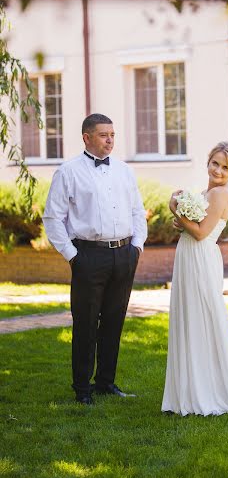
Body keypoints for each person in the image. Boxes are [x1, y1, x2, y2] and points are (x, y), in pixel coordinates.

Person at [43, 113, 147, 405]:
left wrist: (137, 246)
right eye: (103, 135)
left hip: (124, 255)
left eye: (112, 134)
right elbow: (53, 218)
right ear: (87, 138)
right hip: (88, 256)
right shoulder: (68, 172)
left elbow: (138, 212)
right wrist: (73, 256)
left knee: (114, 322)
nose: (110, 140)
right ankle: (82, 388)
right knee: (87, 324)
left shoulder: (125, 171)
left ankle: (106, 383)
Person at [162, 141, 228, 416]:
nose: (219, 170)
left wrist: (175, 208)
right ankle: (191, 390)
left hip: (200, 259)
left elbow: (200, 233)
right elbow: (195, 228)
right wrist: (182, 223)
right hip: (191, 256)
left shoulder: (221, 193)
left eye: (225, 167)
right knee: (191, 318)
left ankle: (208, 391)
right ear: (207, 162)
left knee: (203, 319)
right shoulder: (208, 192)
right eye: (215, 163)